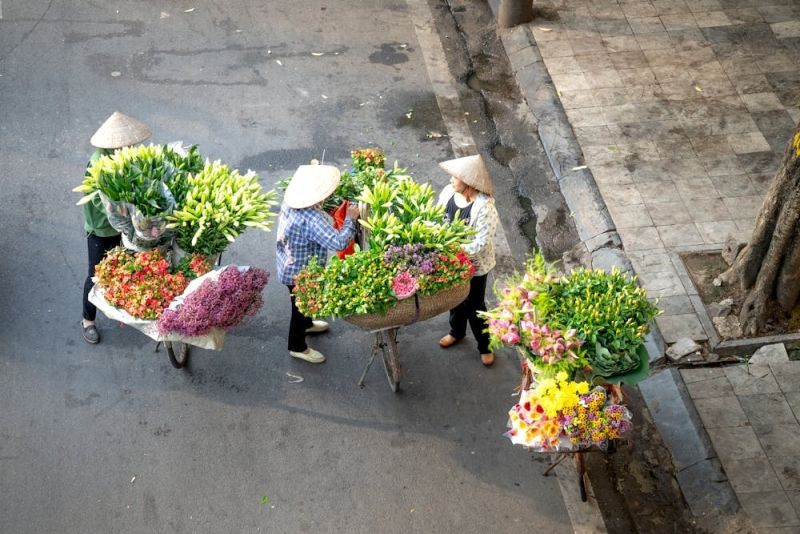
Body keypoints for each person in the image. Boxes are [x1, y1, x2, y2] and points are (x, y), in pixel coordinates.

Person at [276, 163, 360, 364]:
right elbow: (338, 242)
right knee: (299, 307)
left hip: (287, 262)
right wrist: (350, 219)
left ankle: (307, 324)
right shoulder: (311, 219)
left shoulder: (290, 204)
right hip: (300, 271)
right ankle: (297, 346)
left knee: (301, 303)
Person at [81, 112, 151, 344]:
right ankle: (87, 321)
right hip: (101, 228)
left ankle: (122, 305)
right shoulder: (98, 163)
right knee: (95, 275)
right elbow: (104, 205)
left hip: (123, 226)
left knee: (123, 266)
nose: (131, 147)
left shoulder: (125, 157)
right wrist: (131, 216)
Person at [436, 154, 499, 367]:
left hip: (475, 265)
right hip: (452, 260)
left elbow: (481, 242)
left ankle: (485, 345)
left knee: (475, 304)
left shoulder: (485, 207)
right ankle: (456, 332)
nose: (451, 180)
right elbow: (437, 219)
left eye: (456, 177)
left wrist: (454, 249)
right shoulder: (448, 193)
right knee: (455, 298)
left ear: (469, 183)